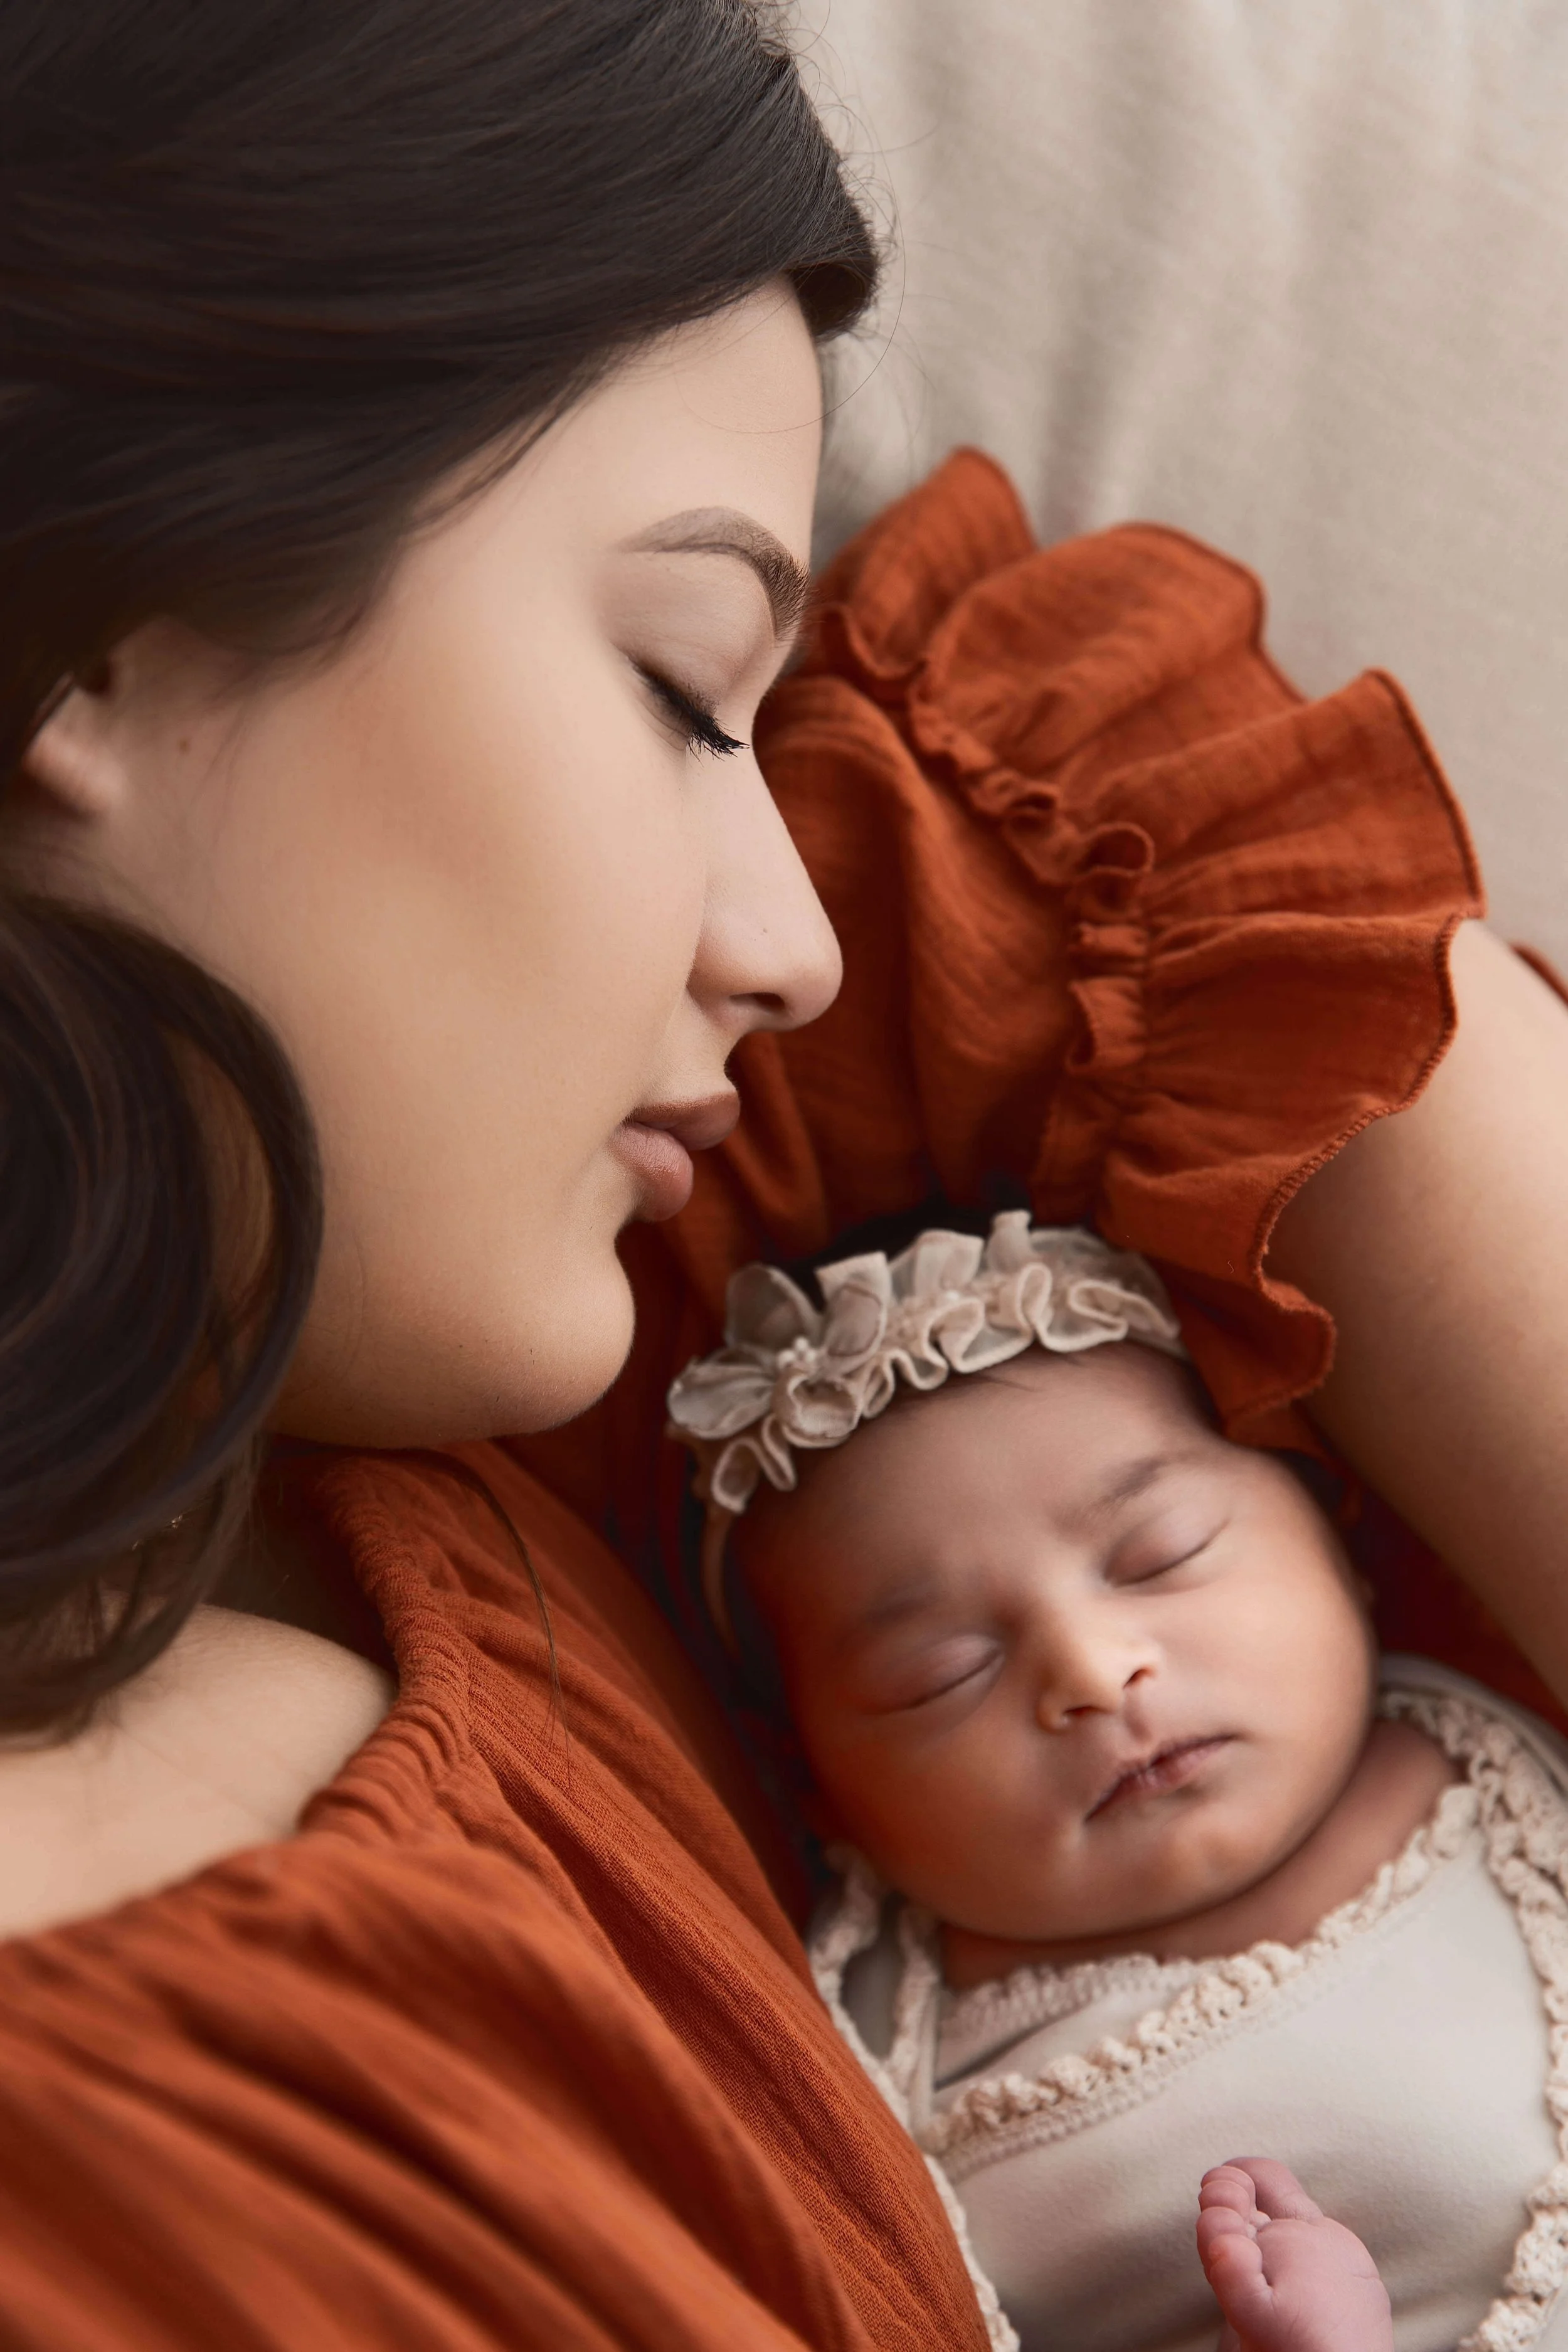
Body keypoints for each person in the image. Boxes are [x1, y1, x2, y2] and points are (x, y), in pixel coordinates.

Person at [4, 3, 1568, 2345]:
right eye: (674, 676)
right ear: (89, 633)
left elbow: (1121, 878)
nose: (793, 941)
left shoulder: (488, 1404)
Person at [672, 1210, 1568, 2351]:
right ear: (813, 1784)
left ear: (1340, 1536)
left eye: (1165, 1553)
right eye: (942, 1674)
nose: (1093, 1674)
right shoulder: (865, 2038)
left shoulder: (1494, 1744)